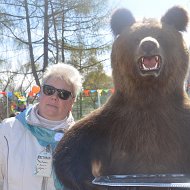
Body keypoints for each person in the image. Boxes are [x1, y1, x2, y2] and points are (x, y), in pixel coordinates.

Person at [0, 63, 82, 190]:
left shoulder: (80, 141)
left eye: (63, 94)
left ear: (73, 101)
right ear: (41, 92)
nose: (54, 97)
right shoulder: (7, 131)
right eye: (49, 90)